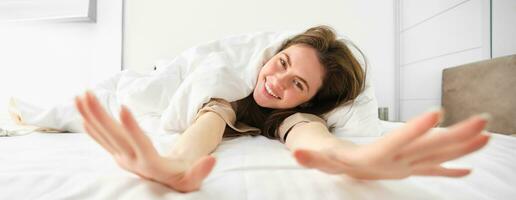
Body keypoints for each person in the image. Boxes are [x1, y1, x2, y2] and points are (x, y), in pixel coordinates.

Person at [74, 26, 490, 192]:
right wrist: (176, 163)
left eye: (298, 84)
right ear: (273, 54)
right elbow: (206, 116)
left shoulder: (297, 115)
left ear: (309, 97)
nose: (276, 81)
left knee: (299, 124)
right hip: (214, 105)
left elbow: (312, 139)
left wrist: (355, 158)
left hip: (294, 120)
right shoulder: (231, 81)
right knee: (216, 110)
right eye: (283, 63)